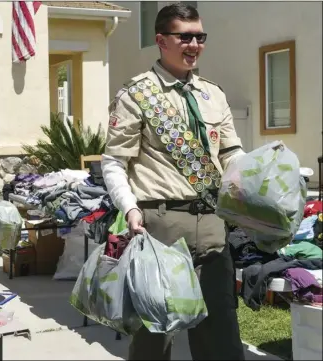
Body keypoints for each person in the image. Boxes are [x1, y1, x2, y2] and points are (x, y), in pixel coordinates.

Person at [102, 3, 246, 360]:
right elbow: (114, 161)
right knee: (155, 337)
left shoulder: (213, 94)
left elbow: (231, 153)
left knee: (220, 334)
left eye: (200, 37)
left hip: (213, 226)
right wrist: (130, 208)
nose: (194, 44)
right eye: (185, 36)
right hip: (160, 229)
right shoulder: (137, 94)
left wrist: (255, 181)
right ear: (161, 41)